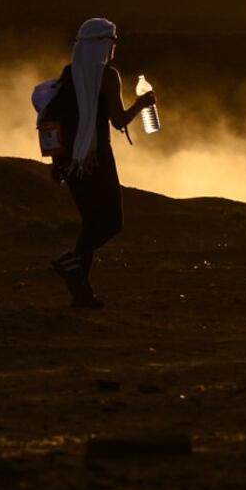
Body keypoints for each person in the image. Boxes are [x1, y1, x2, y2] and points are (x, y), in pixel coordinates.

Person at [50, 18, 156, 308]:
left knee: (90, 223)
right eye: (112, 41)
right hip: (97, 157)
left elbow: (60, 119)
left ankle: (81, 294)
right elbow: (118, 120)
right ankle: (69, 262)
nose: (114, 47)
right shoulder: (108, 76)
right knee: (111, 223)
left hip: (70, 161)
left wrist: (57, 162)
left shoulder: (69, 73)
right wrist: (143, 104)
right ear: (103, 45)